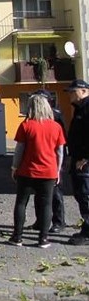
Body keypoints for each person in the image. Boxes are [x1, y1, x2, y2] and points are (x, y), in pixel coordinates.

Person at [8, 93, 65, 248]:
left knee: (21, 203)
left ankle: (17, 237)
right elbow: (60, 151)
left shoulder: (26, 125)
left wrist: (14, 167)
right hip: (48, 172)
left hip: (27, 171)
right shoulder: (56, 126)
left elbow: (19, 150)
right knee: (46, 205)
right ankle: (43, 239)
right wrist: (58, 170)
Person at [28, 89, 66, 233]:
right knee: (39, 193)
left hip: (52, 159)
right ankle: (41, 221)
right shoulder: (32, 115)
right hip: (37, 160)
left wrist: (60, 163)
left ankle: (59, 221)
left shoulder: (55, 115)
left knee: (55, 193)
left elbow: (62, 141)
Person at [65, 79, 89, 245]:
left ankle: (87, 233)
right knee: (81, 194)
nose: (70, 95)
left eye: (73, 91)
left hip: (84, 162)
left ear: (84, 91)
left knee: (85, 195)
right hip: (78, 159)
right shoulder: (81, 109)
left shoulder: (87, 109)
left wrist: (84, 158)